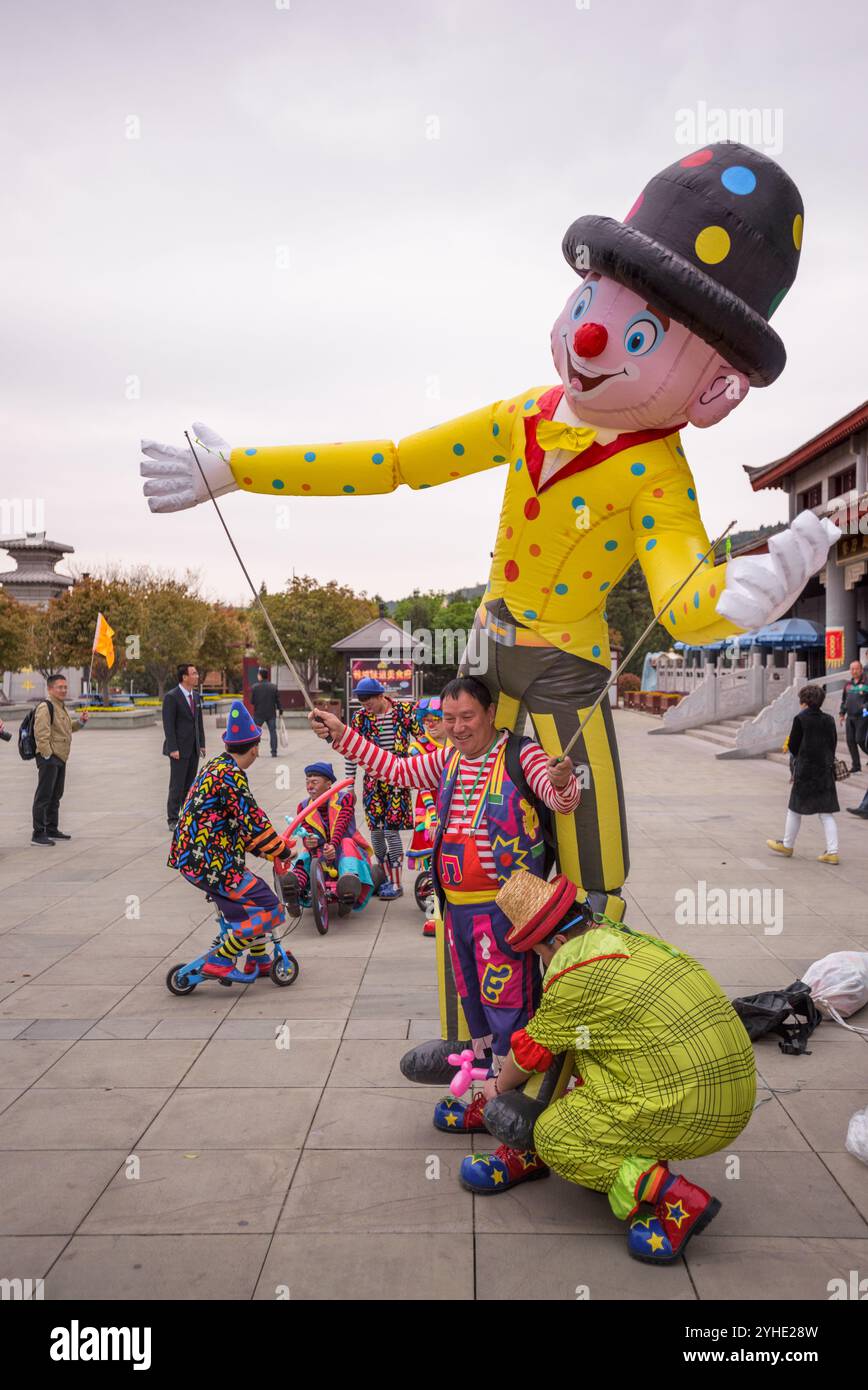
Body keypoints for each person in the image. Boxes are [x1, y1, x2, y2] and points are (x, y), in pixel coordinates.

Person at [142, 143, 839, 931]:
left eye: (638, 337)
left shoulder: (656, 474)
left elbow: (683, 602)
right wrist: (241, 467)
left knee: (589, 853)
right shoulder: (528, 415)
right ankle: (491, 1022)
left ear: (716, 390)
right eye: (587, 305)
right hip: (488, 652)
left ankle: (580, 1005)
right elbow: (399, 460)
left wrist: (739, 596)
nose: (588, 341)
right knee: (469, 835)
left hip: (565, 678)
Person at [310, 674, 582, 1192]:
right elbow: (396, 768)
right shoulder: (446, 758)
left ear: (490, 715)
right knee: (477, 1009)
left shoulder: (520, 754)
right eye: (449, 719)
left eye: (467, 718)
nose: (456, 728)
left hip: (507, 912)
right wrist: (343, 733)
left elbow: (560, 799)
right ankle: (485, 1099)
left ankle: (517, 1128)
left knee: (511, 1012)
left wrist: (564, 780)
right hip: (456, 909)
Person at [479, 870, 755, 1261]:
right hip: (734, 1086)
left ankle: (676, 1200)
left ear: (557, 941)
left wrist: (497, 1087)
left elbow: (530, 1053)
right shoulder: (622, 939)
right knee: (593, 1054)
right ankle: (634, 1146)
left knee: (556, 1136)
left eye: (540, 953)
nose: (543, 961)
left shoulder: (575, 976)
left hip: (699, 1109)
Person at [168, 701, 289, 979]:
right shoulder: (231, 776)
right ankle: (223, 958)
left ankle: (258, 961)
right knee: (271, 908)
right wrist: (281, 850)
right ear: (255, 748)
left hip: (197, 858)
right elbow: (253, 821)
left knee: (255, 903)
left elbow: (238, 826)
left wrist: (268, 851)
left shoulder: (216, 766)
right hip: (212, 863)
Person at [343, 677, 426, 900]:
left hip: (398, 778)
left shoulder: (403, 711)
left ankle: (397, 883)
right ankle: (384, 877)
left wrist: (421, 767)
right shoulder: (360, 718)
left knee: (391, 829)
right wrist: (349, 784)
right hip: (372, 781)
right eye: (362, 701)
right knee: (376, 832)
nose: (365, 704)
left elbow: (422, 739)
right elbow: (351, 751)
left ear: (381, 695)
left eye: (369, 699)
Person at [280, 761, 379, 916]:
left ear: (328, 784)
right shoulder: (303, 806)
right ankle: (293, 890)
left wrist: (332, 845)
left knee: (347, 843)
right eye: (307, 782)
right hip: (319, 852)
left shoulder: (344, 799)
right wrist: (309, 841)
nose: (310, 786)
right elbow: (306, 831)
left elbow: (341, 824)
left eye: (314, 782)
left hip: (343, 849)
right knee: (306, 853)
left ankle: (348, 886)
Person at [768, 684, 840, 863]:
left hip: (806, 771)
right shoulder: (829, 720)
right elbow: (833, 743)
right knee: (826, 812)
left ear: (804, 701)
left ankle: (787, 844)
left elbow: (793, 745)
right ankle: (832, 852)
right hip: (824, 770)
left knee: (794, 809)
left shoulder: (800, 719)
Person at [31, 674, 89, 846]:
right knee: (44, 796)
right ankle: (38, 833)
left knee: (55, 795)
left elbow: (66, 728)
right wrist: (47, 755)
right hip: (50, 758)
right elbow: (41, 734)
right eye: (60, 687)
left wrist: (81, 722)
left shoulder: (60, 707)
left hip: (61, 757)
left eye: (65, 687)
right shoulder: (45, 707)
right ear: (50, 689)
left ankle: (51, 828)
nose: (63, 690)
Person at [407, 696, 447, 938]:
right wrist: (433, 815)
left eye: (436, 720)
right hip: (430, 807)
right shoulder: (417, 748)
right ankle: (434, 912)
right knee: (433, 861)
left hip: (454, 805)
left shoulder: (456, 744)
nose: (431, 724)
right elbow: (422, 785)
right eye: (427, 720)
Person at [162, 663, 206, 828]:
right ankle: (173, 819)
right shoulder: (172, 697)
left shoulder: (195, 696)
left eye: (197, 673)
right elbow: (168, 725)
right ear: (184, 677)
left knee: (190, 785)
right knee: (177, 785)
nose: (197, 676)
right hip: (178, 750)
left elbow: (198, 722)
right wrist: (173, 748)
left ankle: (187, 815)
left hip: (193, 748)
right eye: (194, 673)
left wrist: (201, 744)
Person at [838, 659, 867, 774]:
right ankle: (856, 766)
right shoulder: (848, 685)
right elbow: (844, 701)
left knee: (860, 739)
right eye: (852, 669)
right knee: (850, 741)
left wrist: (865, 710)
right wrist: (841, 714)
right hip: (850, 717)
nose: (854, 671)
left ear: (861, 670)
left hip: (863, 716)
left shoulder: (866, 683)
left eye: (856, 669)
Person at [250, 667, 281, 758]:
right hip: (271, 713)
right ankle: (274, 752)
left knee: (255, 733)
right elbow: (278, 701)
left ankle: (256, 751)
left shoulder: (255, 687)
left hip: (259, 713)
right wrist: (281, 710)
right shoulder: (273, 687)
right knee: (273, 732)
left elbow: (252, 701)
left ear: (260, 676)